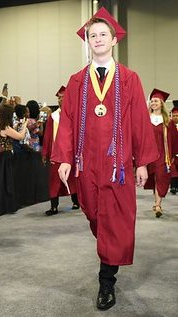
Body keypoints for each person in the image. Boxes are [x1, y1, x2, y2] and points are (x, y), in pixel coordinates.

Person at [52, 7, 159, 311]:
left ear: (114, 40)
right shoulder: (77, 81)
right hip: (87, 164)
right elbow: (69, 121)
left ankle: (106, 280)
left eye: (102, 34)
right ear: (88, 42)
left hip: (118, 165)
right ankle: (109, 255)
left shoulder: (128, 78)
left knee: (115, 218)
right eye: (92, 35)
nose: (97, 39)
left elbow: (139, 120)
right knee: (95, 216)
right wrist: (64, 158)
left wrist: (141, 163)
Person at [42, 86, 79, 216]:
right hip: (56, 153)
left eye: (63, 97)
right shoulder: (53, 117)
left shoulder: (75, 114)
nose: (60, 100)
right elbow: (47, 136)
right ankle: (54, 207)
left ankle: (76, 201)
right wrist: (45, 153)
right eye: (59, 98)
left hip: (71, 151)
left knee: (72, 179)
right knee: (54, 180)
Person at [144, 89, 173, 217]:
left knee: (160, 177)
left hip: (163, 155)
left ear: (161, 103)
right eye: (152, 101)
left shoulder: (168, 122)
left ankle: (158, 204)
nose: (153, 103)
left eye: (156, 101)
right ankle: (157, 201)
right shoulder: (145, 120)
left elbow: (175, 140)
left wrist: (172, 156)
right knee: (154, 178)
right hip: (149, 154)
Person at [169, 100, 178, 194]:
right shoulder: (169, 126)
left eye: (177, 116)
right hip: (173, 151)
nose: (175, 117)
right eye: (174, 116)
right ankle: (173, 187)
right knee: (173, 170)